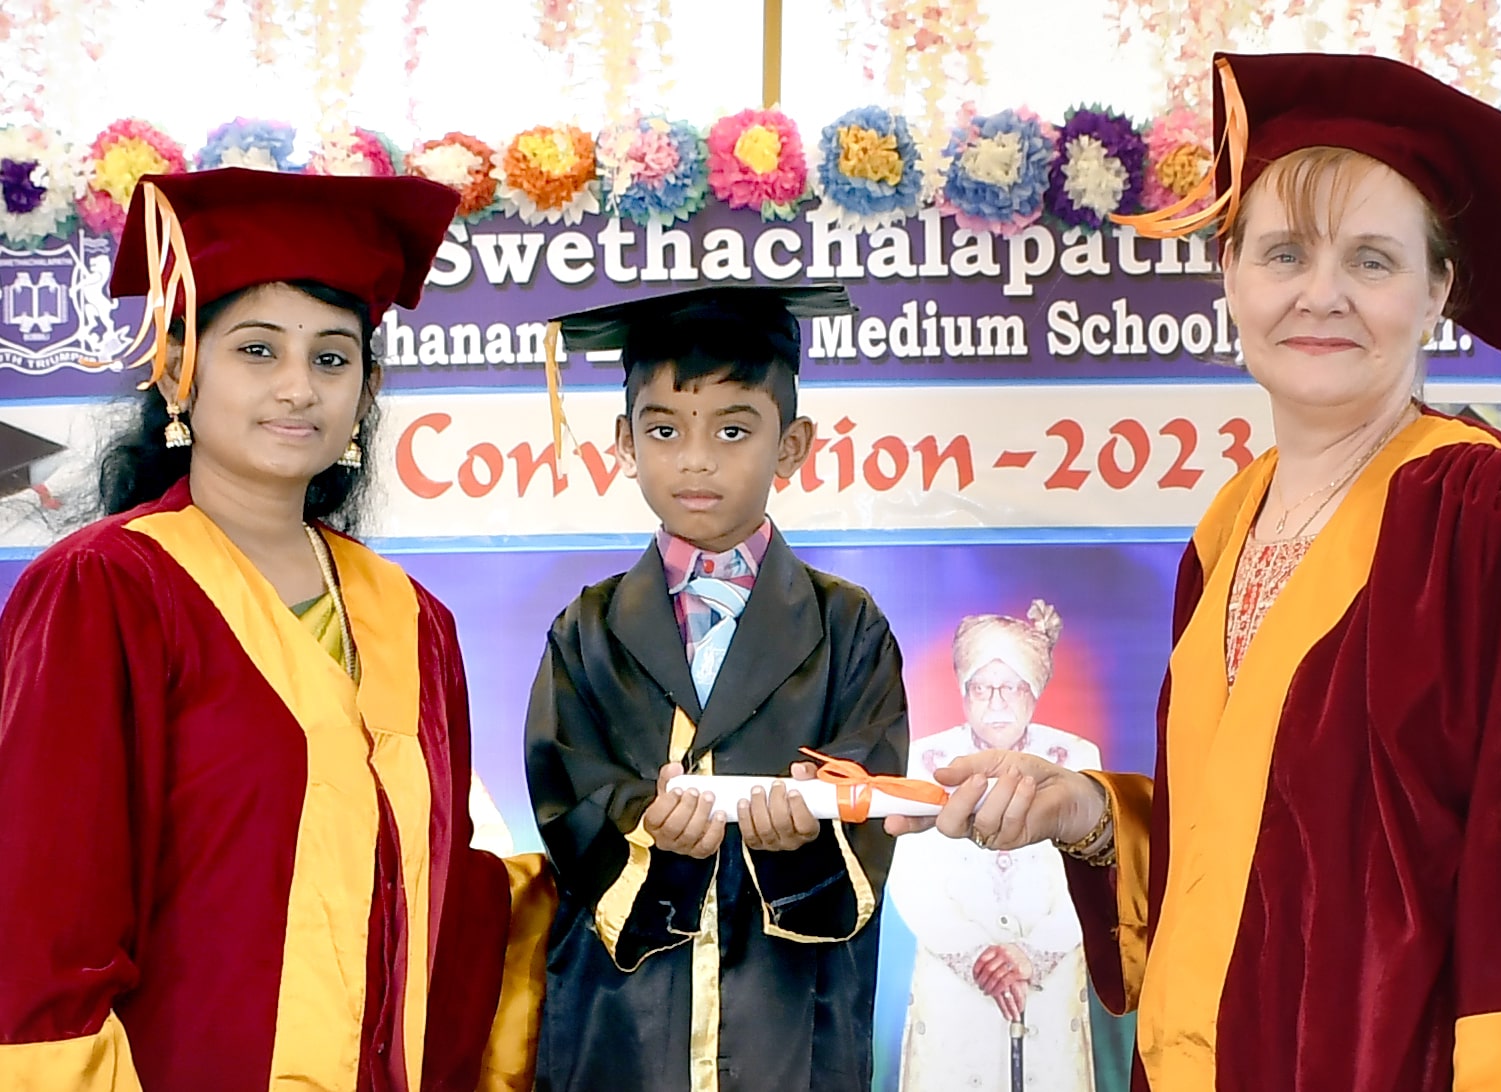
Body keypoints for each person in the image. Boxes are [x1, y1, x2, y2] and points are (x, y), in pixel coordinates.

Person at [887, 52, 1501, 1092]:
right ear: (1230, 274)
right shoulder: (1228, 523)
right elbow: (1241, 846)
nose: (1321, 295)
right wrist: (1087, 816)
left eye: (1373, 261)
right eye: (1285, 252)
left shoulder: (1490, 513)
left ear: (1438, 287)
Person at [0, 167, 554, 1091]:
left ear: (366, 393)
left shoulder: (412, 617)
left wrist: (629, 864)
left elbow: (446, 900)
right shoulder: (109, 590)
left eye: (332, 359)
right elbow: (41, 920)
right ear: (178, 370)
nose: (299, 388)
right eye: (258, 350)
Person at [524, 284, 909, 1092]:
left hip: (790, 1019)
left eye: (733, 430)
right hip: (623, 1027)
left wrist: (801, 845)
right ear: (625, 443)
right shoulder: (586, 632)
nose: (696, 459)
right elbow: (569, 802)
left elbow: (866, 803)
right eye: (665, 430)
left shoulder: (848, 628)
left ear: (791, 445)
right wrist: (653, 841)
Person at [886, 601, 1101, 1092]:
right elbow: (909, 878)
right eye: (982, 688)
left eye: (1011, 688)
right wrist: (977, 957)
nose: (997, 702)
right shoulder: (927, 759)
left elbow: (1093, 870)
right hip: (954, 974)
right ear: (964, 693)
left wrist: (1033, 954)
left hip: (1048, 966)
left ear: (1034, 692)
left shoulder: (1075, 757)